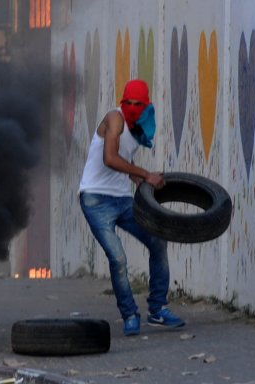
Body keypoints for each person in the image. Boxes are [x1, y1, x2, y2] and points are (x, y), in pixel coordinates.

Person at [78, 79, 185, 336]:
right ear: (122, 102)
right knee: (118, 258)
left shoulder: (138, 128)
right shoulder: (115, 118)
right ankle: (129, 314)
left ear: (146, 104)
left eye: (139, 104)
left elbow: (124, 159)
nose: (134, 108)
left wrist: (136, 178)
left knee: (158, 240)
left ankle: (157, 310)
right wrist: (146, 174)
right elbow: (110, 158)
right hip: (95, 200)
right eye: (130, 103)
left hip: (123, 200)